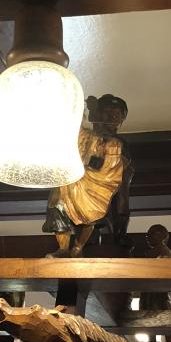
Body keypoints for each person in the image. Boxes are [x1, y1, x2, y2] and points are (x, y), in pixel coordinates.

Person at [44, 94, 131, 257]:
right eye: (107, 113)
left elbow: (115, 169)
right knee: (58, 204)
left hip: (98, 182)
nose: (111, 118)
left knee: (94, 211)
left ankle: (81, 246)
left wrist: (107, 156)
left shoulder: (115, 143)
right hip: (73, 180)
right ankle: (64, 249)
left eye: (116, 115)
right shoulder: (83, 135)